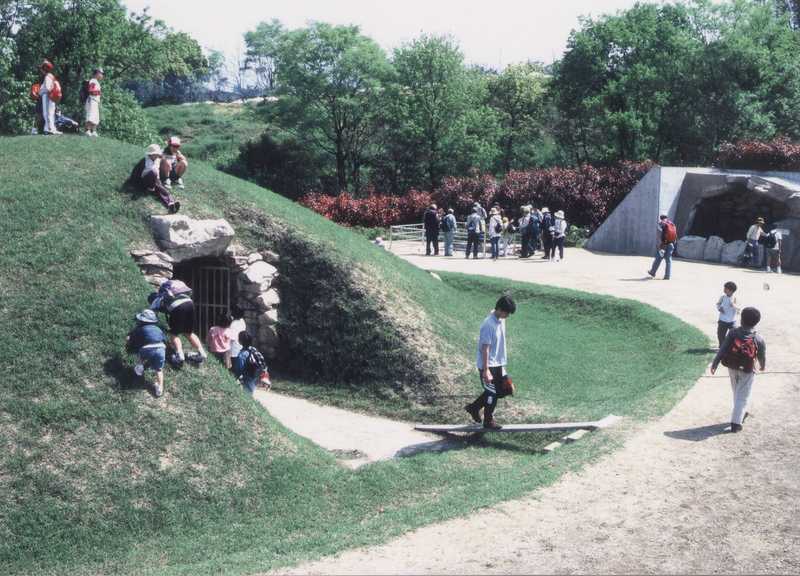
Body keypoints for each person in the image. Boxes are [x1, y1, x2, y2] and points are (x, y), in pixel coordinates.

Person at [463, 295, 517, 430]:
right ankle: (488, 421)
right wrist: (486, 370)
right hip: (488, 365)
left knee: (506, 389)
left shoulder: (500, 319)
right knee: (491, 393)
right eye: (507, 312)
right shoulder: (488, 325)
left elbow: (493, 311)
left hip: (498, 363)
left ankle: (473, 407)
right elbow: (484, 349)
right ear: (500, 309)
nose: (508, 316)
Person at [710, 307, 766, 433]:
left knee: (736, 391)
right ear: (757, 322)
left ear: (741, 320)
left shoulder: (733, 333)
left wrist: (715, 363)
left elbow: (723, 348)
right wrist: (762, 366)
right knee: (743, 395)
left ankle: (742, 411)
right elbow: (762, 356)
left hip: (732, 366)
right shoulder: (759, 338)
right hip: (747, 369)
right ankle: (736, 423)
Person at [148, 279, 207, 367]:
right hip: (190, 303)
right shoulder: (175, 285)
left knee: (174, 333)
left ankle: (179, 356)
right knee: (189, 332)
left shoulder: (157, 299)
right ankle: (202, 353)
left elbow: (152, 316)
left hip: (177, 307)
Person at [126, 309, 167, 398]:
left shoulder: (140, 329)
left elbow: (132, 339)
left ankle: (140, 366)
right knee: (159, 369)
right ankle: (160, 387)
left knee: (140, 354)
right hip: (161, 348)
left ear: (141, 321)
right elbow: (164, 339)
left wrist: (129, 343)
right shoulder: (158, 329)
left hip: (146, 348)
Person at [132, 144, 180, 213]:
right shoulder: (144, 161)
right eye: (155, 154)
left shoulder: (157, 160)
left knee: (161, 190)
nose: (156, 155)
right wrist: (135, 186)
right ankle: (153, 189)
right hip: (144, 182)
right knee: (153, 173)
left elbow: (158, 172)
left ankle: (170, 204)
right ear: (150, 154)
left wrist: (159, 182)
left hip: (154, 182)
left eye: (157, 154)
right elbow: (135, 174)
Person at [647, 214, 677, 280]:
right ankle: (667, 276)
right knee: (668, 260)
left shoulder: (662, 223)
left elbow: (659, 234)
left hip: (663, 245)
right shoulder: (672, 224)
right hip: (671, 244)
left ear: (661, 218)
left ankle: (652, 272)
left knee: (658, 258)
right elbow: (675, 235)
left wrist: (659, 244)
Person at [39, 60, 60, 135]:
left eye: (42, 68)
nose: (41, 70)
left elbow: (48, 88)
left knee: (47, 113)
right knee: (50, 113)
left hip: (47, 97)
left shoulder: (47, 76)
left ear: (44, 69)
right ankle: (50, 128)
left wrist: (40, 92)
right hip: (51, 97)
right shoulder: (51, 76)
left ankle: (49, 129)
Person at [716, 281, 739, 348]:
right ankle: (722, 347)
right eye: (724, 288)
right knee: (720, 335)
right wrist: (719, 308)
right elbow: (718, 304)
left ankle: (733, 347)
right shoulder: (723, 297)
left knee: (734, 335)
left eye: (726, 288)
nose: (724, 290)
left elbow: (739, 309)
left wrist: (734, 305)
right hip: (722, 320)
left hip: (732, 321)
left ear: (731, 291)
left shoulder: (735, 298)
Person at [84, 68, 103, 137]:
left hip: (95, 101)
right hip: (92, 100)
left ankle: (93, 131)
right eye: (101, 74)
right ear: (97, 74)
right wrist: (98, 92)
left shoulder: (96, 82)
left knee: (95, 117)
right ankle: (87, 130)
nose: (102, 75)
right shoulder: (93, 81)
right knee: (90, 116)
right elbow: (90, 90)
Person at [228, 307, 248, 374]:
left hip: (234, 347)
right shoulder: (242, 321)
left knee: (234, 365)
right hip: (240, 345)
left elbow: (231, 337)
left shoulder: (233, 324)